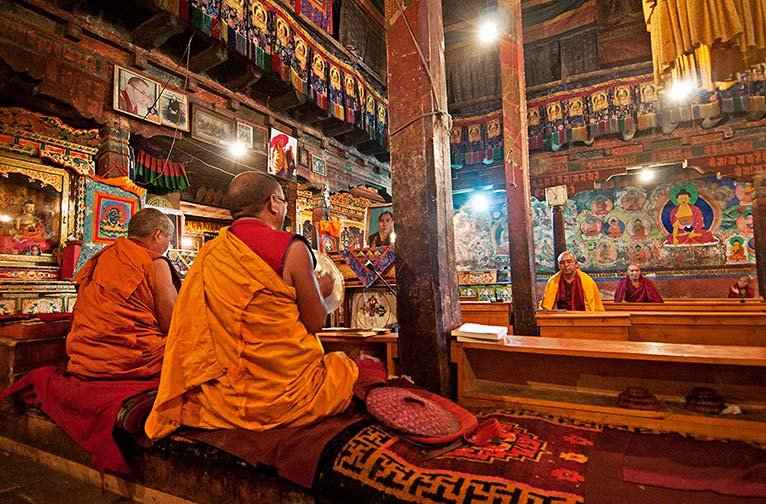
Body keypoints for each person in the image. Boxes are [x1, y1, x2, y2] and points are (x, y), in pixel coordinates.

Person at [145, 172, 359, 440]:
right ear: (273, 203)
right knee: (354, 370)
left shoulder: (210, 253)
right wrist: (319, 290)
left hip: (222, 398)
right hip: (285, 395)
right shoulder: (291, 248)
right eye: (282, 201)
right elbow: (314, 322)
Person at [66, 207, 180, 379]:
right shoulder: (155, 262)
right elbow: (170, 322)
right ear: (158, 234)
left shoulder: (105, 256)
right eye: (168, 240)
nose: (167, 247)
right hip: (132, 357)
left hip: (84, 354)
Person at [540, 251, 604, 311]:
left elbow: (595, 305)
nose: (566, 265)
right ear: (559, 266)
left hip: (583, 317)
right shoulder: (553, 282)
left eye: (569, 261)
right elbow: (548, 306)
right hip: (560, 318)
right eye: (562, 262)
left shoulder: (587, 281)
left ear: (576, 264)